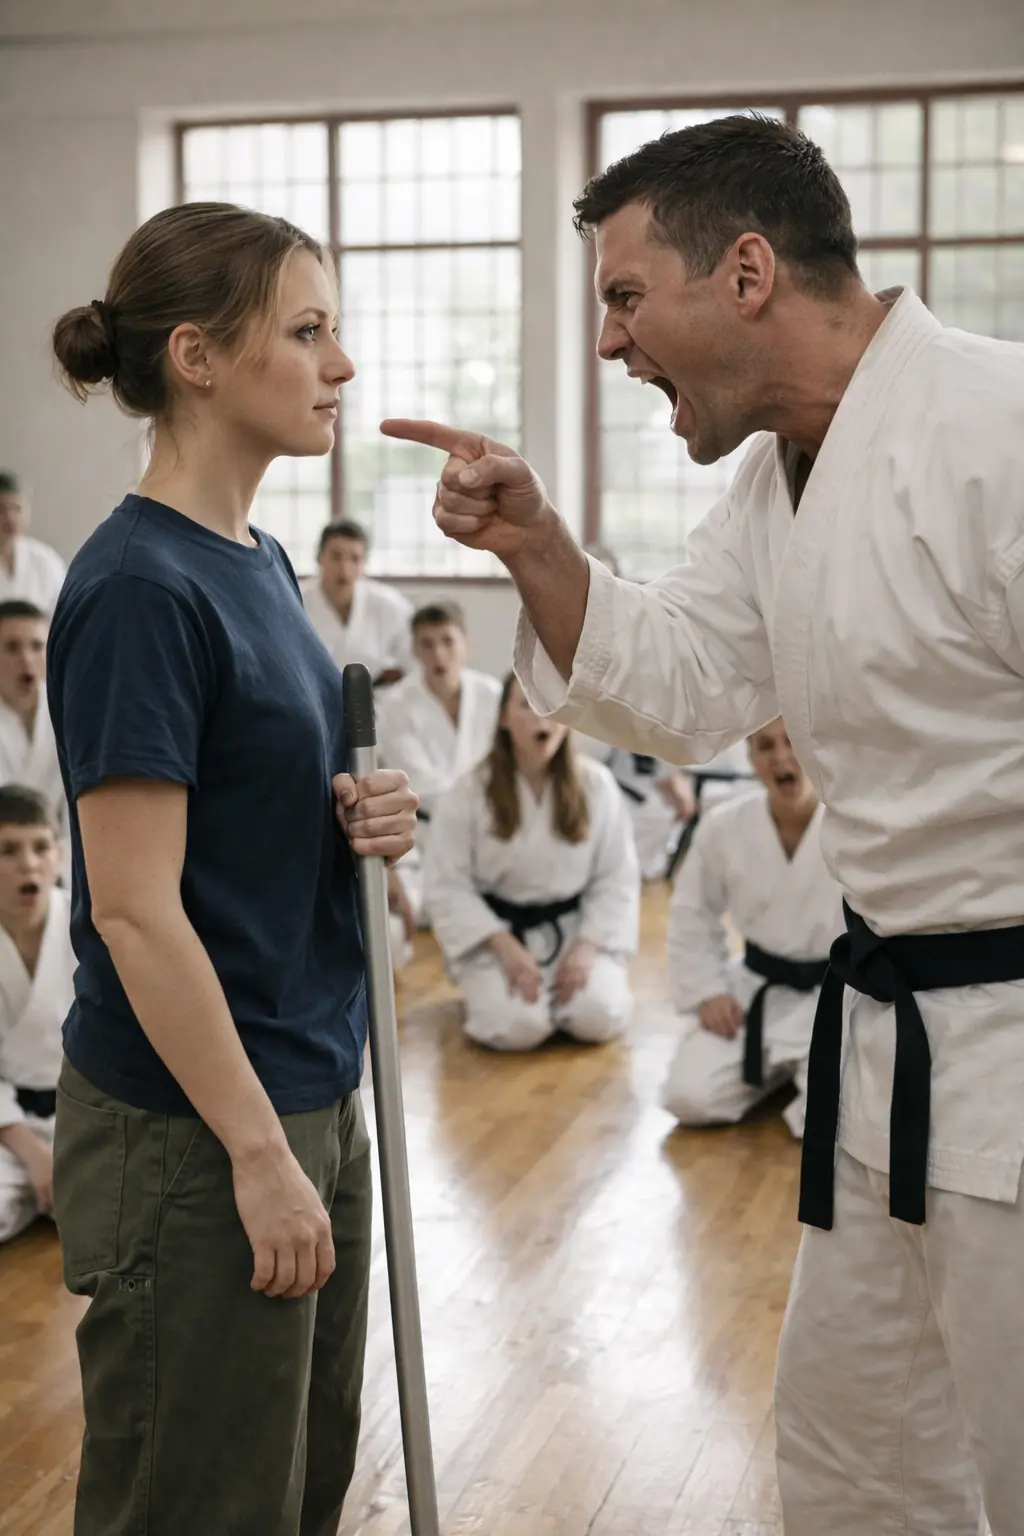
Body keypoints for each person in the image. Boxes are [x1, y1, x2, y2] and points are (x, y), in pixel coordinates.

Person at [382, 115, 1024, 1534]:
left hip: (1016, 1052)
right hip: (884, 1055)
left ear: (746, 272)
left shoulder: (1000, 427)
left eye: (624, 297)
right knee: (856, 1455)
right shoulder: (773, 483)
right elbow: (679, 688)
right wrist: (539, 545)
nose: (611, 343)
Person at [48, 201, 417, 1536]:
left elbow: (244, 822)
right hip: (202, 1130)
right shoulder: (144, 588)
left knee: (290, 1489)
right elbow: (136, 913)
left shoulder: (256, 563)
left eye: (339, 330)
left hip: (306, 1086)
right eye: (309, 331)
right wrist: (259, 1155)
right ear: (198, 357)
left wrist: (361, 813)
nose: (342, 365)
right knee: (195, 1505)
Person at [425, 673, 638, 1052]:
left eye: (552, 706)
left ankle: (566, 995)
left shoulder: (596, 785)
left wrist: (587, 947)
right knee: (520, 1027)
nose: (542, 719)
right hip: (498, 936)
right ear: (504, 718)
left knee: (598, 1015)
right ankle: (503, 993)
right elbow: (447, 883)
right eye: (527, 705)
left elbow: (616, 877)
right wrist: (503, 946)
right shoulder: (469, 792)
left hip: (576, 929)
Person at [661, 717, 842, 1139]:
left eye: (793, 742)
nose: (781, 757)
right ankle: (781, 1069)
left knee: (831, 1124)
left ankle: (794, 1069)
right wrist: (708, 991)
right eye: (765, 746)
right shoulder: (723, 827)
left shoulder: (852, 826)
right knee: (689, 1096)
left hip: (834, 998)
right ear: (750, 757)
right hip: (757, 989)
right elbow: (692, 914)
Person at [378, 600, 501, 924]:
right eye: (427, 644)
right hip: (426, 833)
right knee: (408, 917)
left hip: (492, 828)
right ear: (415, 651)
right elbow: (420, 782)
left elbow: (507, 768)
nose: (438, 654)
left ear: (466, 645)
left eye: (448, 641)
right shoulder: (395, 706)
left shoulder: (494, 696)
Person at [0, 786, 73, 1244]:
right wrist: (32, 1153)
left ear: (60, 856)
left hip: (89, 1119)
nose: (29, 864)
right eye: (8, 850)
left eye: (40, 847)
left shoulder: (90, 926)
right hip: (10, 1132)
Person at [302, 518, 413, 686]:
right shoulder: (295, 600)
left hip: (376, 703)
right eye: (336, 556)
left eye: (354, 559)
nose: (345, 568)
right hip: (310, 698)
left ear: (364, 563)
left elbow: (414, 660)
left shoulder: (389, 605)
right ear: (319, 557)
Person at [0, 600, 67, 854]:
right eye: (12, 647)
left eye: (37, 646)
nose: (26, 659)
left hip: (58, 859)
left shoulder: (68, 712)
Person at [0, 472, 67, 615]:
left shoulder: (45, 560)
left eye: (16, 508)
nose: (10, 517)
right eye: (2, 509)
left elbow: (62, 612)